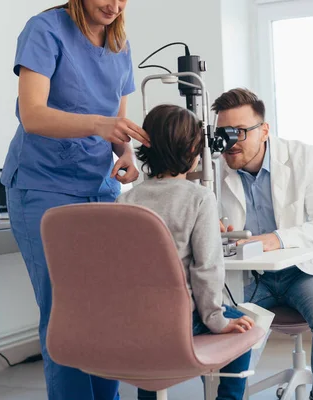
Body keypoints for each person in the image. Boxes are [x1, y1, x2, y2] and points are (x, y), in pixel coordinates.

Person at [1, 1, 150, 399]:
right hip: (43, 185)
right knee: (66, 315)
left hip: (97, 188)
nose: (114, 6)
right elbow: (33, 115)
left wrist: (126, 154)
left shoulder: (120, 42)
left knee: (105, 312)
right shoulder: (45, 30)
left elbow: (117, 124)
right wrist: (101, 125)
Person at [213, 88, 313, 400]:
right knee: (217, 312)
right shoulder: (214, 170)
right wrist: (212, 227)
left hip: (307, 271)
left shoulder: (304, 158)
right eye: (223, 133)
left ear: (264, 131)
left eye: (240, 132)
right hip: (249, 277)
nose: (230, 142)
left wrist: (277, 239)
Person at [116, 104, 255, 400]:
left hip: (136, 320)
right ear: (194, 151)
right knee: (245, 329)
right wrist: (217, 320)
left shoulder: (127, 200)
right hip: (180, 319)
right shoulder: (199, 198)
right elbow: (206, 270)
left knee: (152, 361)